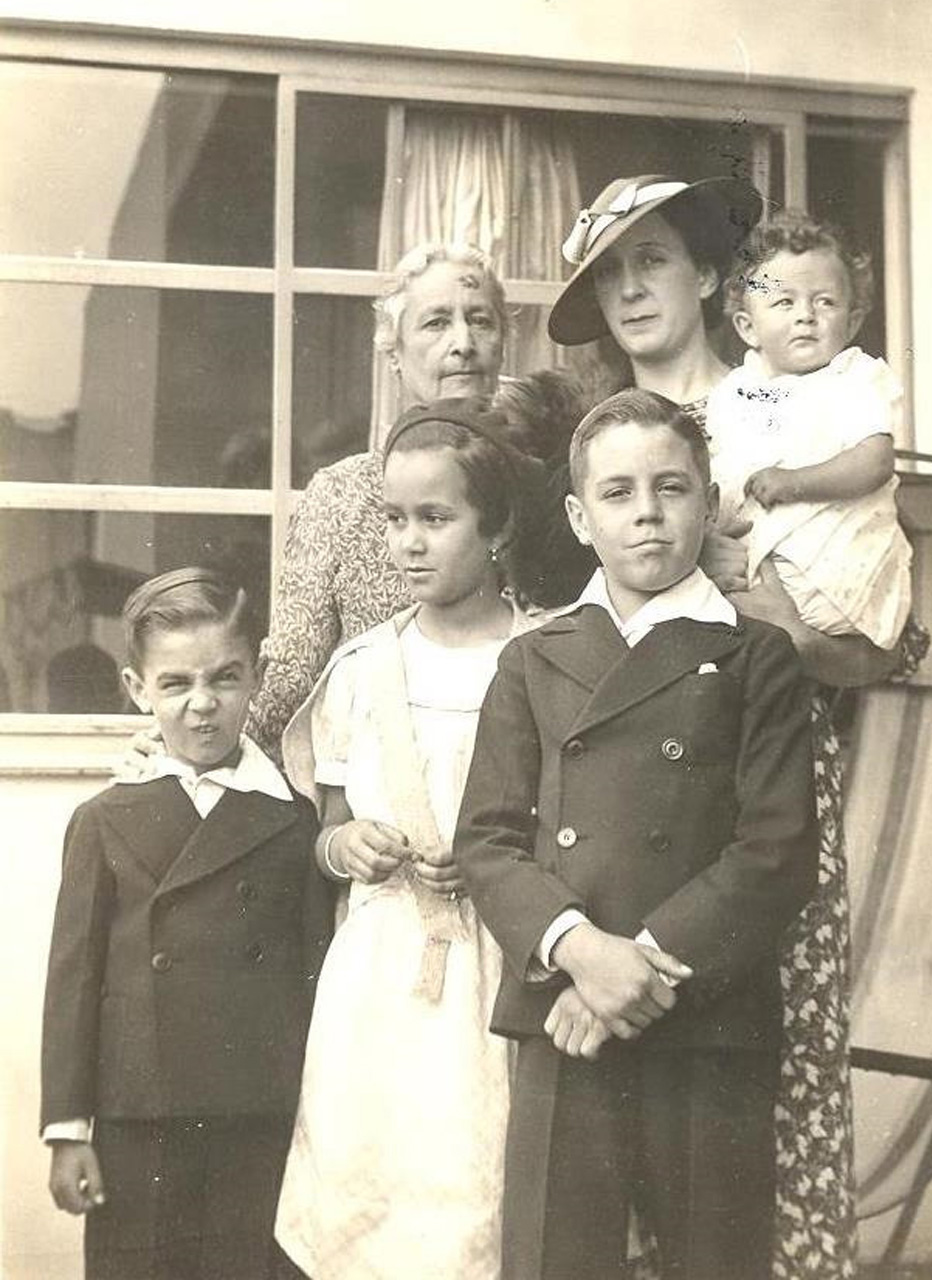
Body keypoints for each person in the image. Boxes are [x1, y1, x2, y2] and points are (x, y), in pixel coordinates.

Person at [546, 173, 926, 1279]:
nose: (630, 290)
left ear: (713, 274)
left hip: (762, 797)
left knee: (769, 1088)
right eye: (607, 274)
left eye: (651, 259)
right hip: (621, 811)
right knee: (614, 1096)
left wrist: (768, 625)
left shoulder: (801, 404)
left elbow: (884, 633)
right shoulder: (600, 446)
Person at [454, 388, 819, 1280]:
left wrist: (635, 966)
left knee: (715, 1260)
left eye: (672, 487)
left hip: (704, 1015)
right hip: (563, 1020)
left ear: (709, 499)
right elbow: (489, 840)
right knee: (554, 1260)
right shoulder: (533, 658)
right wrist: (581, 952)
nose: (647, 514)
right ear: (580, 518)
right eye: (617, 493)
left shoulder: (755, 655)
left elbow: (775, 852)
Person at [274, 398, 544, 1280]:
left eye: (437, 518)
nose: (410, 543)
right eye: (395, 520)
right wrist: (342, 848)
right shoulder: (366, 667)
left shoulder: (545, 659)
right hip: (383, 979)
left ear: (497, 525)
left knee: (483, 1191)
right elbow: (330, 824)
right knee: (370, 1191)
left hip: (504, 969)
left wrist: (502, 861)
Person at [41, 568, 332, 1280]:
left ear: (256, 676)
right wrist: (68, 1131)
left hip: (259, 1114)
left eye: (224, 679)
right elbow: (73, 983)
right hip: (137, 1117)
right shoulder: (102, 822)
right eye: (175, 685)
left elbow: (316, 979)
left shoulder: (294, 823)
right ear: (138, 689)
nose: (202, 705)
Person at [246, 243, 510, 761]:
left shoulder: (547, 482)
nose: (463, 343)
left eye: (480, 320)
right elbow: (290, 679)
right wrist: (185, 757)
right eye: (435, 323)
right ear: (393, 353)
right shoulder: (342, 493)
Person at [707, 211, 912, 650]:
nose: (806, 316)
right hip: (760, 566)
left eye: (825, 302)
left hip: (839, 567)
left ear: (853, 322)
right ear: (747, 327)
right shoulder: (734, 392)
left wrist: (795, 483)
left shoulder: (855, 377)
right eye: (784, 302)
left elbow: (873, 461)